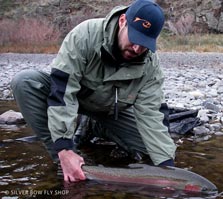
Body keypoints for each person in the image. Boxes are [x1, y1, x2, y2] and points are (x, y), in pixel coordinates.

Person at [10, 0, 176, 182]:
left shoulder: (151, 65)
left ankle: (94, 126)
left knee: (151, 153)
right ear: (122, 21)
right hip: (73, 100)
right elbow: (62, 92)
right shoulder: (84, 36)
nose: (137, 48)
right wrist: (64, 148)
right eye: (135, 39)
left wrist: (167, 170)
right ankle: (63, 159)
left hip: (112, 112)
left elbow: (152, 115)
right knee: (25, 82)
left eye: (144, 44)